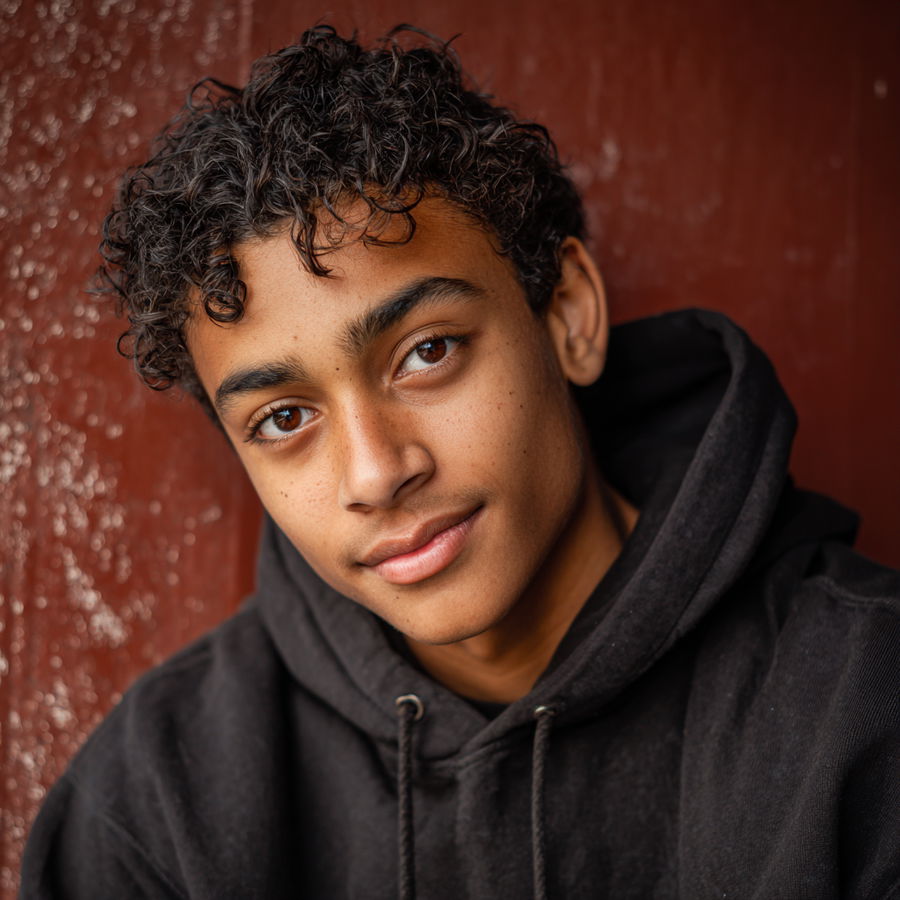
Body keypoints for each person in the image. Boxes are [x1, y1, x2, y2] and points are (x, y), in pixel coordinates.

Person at [20, 24, 899, 900]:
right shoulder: (153, 806)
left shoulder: (865, 708)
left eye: (428, 352)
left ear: (567, 315)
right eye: (284, 417)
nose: (375, 473)